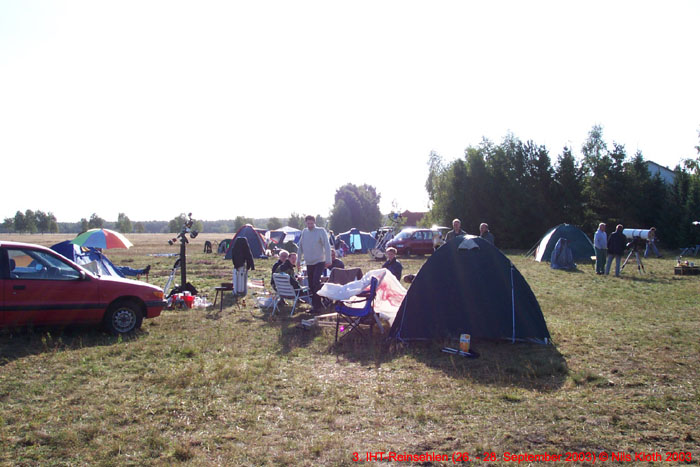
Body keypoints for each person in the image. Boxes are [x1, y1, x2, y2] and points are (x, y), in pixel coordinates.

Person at [298, 215, 332, 312]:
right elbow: (300, 246)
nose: (310, 225)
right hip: (309, 262)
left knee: (315, 282)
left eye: (311, 223)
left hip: (319, 261)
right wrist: (298, 260)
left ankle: (319, 303)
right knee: (311, 284)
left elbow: (327, 245)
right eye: (308, 223)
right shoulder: (304, 232)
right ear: (305, 223)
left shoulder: (321, 231)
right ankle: (317, 304)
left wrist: (328, 260)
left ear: (314, 222)